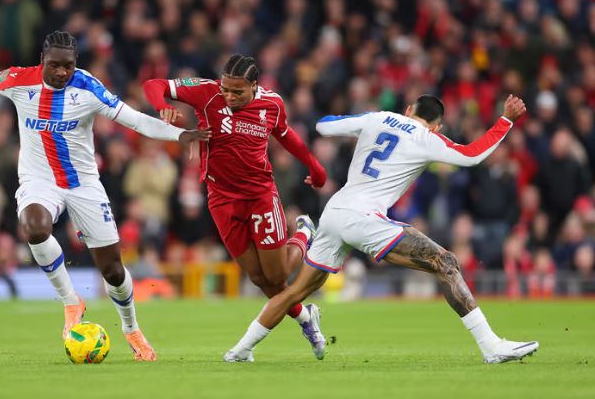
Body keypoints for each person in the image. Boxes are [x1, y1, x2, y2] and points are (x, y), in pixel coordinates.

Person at [0, 30, 209, 361]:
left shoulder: (87, 86)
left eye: (69, 66)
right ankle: (71, 301)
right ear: (42, 61)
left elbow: (134, 121)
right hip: (38, 180)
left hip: (84, 184)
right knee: (34, 226)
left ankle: (131, 328)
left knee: (113, 271)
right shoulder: (19, 79)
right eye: (55, 66)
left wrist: (181, 135)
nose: (62, 73)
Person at [225, 94, 540, 364]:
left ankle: (240, 350)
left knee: (295, 291)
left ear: (407, 109)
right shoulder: (428, 138)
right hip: (364, 218)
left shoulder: (379, 118)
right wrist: (506, 120)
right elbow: (472, 156)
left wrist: (364, 122)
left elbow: (324, 125)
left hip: (335, 211)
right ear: (438, 126)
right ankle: (491, 347)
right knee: (447, 263)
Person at [142, 54, 329, 358]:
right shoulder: (205, 91)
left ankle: (304, 234)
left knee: (278, 277)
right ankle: (306, 317)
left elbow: (286, 134)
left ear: (255, 86)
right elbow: (154, 84)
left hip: (260, 196)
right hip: (222, 200)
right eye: (226, 89)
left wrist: (314, 164)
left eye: (237, 91)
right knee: (258, 279)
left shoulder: (272, 104)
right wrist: (163, 105)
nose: (229, 96)